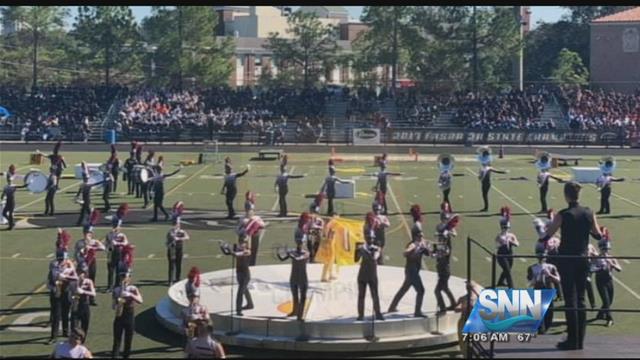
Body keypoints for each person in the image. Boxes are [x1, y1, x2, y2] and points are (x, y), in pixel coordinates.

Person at [539, 181, 603, 350]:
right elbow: (598, 235)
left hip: (567, 259)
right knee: (581, 300)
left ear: (566, 196)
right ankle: (580, 340)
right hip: (583, 259)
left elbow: (547, 236)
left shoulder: (563, 214)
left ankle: (571, 339)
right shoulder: (589, 212)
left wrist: (541, 232)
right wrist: (585, 229)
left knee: (570, 299)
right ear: (578, 195)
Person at [388, 206, 429, 317]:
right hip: (412, 270)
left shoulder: (420, 243)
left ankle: (392, 306)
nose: (422, 236)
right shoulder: (413, 245)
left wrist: (425, 249)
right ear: (416, 235)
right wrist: (413, 250)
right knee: (421, 290)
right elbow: (405, 252)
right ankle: (417, 312)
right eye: (420, 235)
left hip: (413, 269)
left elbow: (428, 253)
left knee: (404, 288)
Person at [355, 212, 384, 321]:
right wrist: (358, 250)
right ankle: (360, 315)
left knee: (375, 295)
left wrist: (372, 250)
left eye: (372, 238)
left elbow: (375, 258)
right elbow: (356, 259)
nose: (371, 240)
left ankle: (378, 313)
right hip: (363, 274)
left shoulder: (376, 249)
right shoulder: (362, 248)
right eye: (369, 238)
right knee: (361, 295)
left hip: (372, 275)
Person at [527, 242, 561, 334]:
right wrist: (536, 278)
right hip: (537, 292)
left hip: (548, 292)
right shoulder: (532, 268)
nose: (542, 257)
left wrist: (549, 275)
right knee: (539, 317)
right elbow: (529, 283)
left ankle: (544, 331)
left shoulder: (551, 267)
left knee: (549, 315)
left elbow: (558, 280)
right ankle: (541, 332)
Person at [593, 227, 622, 327]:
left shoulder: (611, 258)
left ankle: (600, 314)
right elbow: (591, 269)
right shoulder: (597, 258)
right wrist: (599, 268)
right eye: (604, 249)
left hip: (609, 280)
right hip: (600, 280)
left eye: (607, 250)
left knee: (609, 300)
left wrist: (612, 264)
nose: (605, 251)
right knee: (605, 299)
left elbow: (619, 269)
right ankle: (609, 319)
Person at [433, 204, 459, 315]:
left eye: (446, 218)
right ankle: (453, 303)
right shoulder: (439, 227)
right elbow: (437, 236)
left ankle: (443, 309)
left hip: (444, 260)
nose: (444, 219)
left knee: (438, 290)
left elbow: (454, 234)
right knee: (445, 287)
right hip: (441, 257)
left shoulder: (448, 230)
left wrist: (448, 232)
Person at [47, 251, 78, 344]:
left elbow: (75, 280)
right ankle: (54, 336)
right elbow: (48, 282)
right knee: (56, 315)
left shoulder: (70, 269)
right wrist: (54, 289)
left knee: (66, 313)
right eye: (59, 259)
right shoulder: (53, 268)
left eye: (63, 259)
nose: (61, 262)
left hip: (66, 293)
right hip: (56, 295)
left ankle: (65, 331)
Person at [112, 270, 143, 359]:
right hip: (119, 316)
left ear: (129, 279)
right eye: (122, 277)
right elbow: (113, 306)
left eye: (125, 277)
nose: (123, 279)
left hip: (129, 316)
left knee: (128, 340)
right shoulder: (117, 289)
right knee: (117, 340)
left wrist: (131, 295)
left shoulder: (133, 289)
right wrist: (118, 302)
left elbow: (140, 300)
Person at [276, 238, 310, 321]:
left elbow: (299, 258)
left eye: (300, 244)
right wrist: (278, 253)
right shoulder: (293, 253)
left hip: (302, 277)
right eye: (298, 244)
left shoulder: (306, 253)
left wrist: (290, 254)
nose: (299, 246)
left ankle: (300, 314)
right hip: (294, 276)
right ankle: (295, 311)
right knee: (295, 296)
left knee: (303, 297)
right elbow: (282, 259)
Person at [220, 237, 254, 316]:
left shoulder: (247, 251)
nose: (241, 244)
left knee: (240, 292)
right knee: (244, 289)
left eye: (243, 243)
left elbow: (235, 254)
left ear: (246, 244)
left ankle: (238, 310)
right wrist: (222, 247)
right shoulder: (238, 249)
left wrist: (229, 248)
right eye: (240, 243)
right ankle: (250, 304)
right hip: (239, 273)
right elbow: (227, 253)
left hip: (245, 274)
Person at [70, 264, 96, 340]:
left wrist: (83, 292)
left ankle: (82, 341)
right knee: (74, 326)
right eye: (78, 272)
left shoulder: (88, 282)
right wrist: (72, 298)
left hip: (85, 305)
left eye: (81, 272)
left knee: (85, 326)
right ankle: (74, 341)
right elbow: (70, 293)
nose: (79, 274)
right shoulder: (74, 282)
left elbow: (93, 293)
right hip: (76, 305)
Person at [238, 192, 265, 267]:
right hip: (245, 241)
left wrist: (255, 225)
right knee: (246, 254)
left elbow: (263, 225)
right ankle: (246, 265)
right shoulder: (243, 219)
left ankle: (252, 266)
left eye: (251, 211)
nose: (251, 212)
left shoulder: (256, 218)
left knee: (253, 253)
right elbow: (237, 230)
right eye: (249, 210)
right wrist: (244, 231)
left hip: (254, 237)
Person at [495, 206, 519, 288]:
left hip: (510, 254)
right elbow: (496, 246)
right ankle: (511, 287)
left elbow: (517, 244)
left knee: (508, 269)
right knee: (507, 270)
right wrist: (502, 243)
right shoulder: (499, 236)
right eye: (504, 228)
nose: (506, 229)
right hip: (501, 254)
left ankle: (500, 281)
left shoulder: (511, 235)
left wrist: (512, 242)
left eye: (507, 228)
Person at [167, 205, 190, 285]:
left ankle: (177, 279)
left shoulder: (181, 231)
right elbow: (172, 237)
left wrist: (180, 238)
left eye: (179, 223)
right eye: (177, 223)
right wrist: (176, 237)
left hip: (179, 248)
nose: (178, 224)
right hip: (172, 249)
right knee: (171, 265)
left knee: (179, 264)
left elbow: (187, 237)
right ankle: (170, 280)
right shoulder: (171, 231)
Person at [372, 192, 390, 265]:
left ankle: (379, 262)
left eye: (378, 210)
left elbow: (388, 224)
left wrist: (382, 224)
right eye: (376, 210)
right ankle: (378, 262)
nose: (377, 212)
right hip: (375, 236)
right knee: (377, 250)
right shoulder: (372, 217)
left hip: (381, 236)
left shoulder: (382, 217)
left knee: (379, 249)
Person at [307, 195, 325, 263]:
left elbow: (322, 226)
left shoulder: (319, 219)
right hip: (311, 234)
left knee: (316, 245)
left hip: (317, 234)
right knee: (310, 245)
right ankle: (312, 257)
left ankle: (314, 257)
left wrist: (316, 227)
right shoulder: (310, 218)